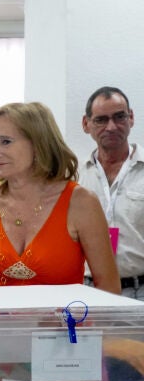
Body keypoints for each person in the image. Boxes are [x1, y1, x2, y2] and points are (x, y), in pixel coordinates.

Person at [0, 102, 121, 294]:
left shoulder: (81, 203)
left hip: (63, 314)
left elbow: (109, 288)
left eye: (6, 141)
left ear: (38, 144)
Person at [80, 86, 144, 299]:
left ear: (131, 118)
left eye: (119, 117)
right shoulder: (75, 176)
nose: (111, 127)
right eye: (101, 120)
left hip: (139, 290)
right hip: (88, 291)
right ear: (86, 124)